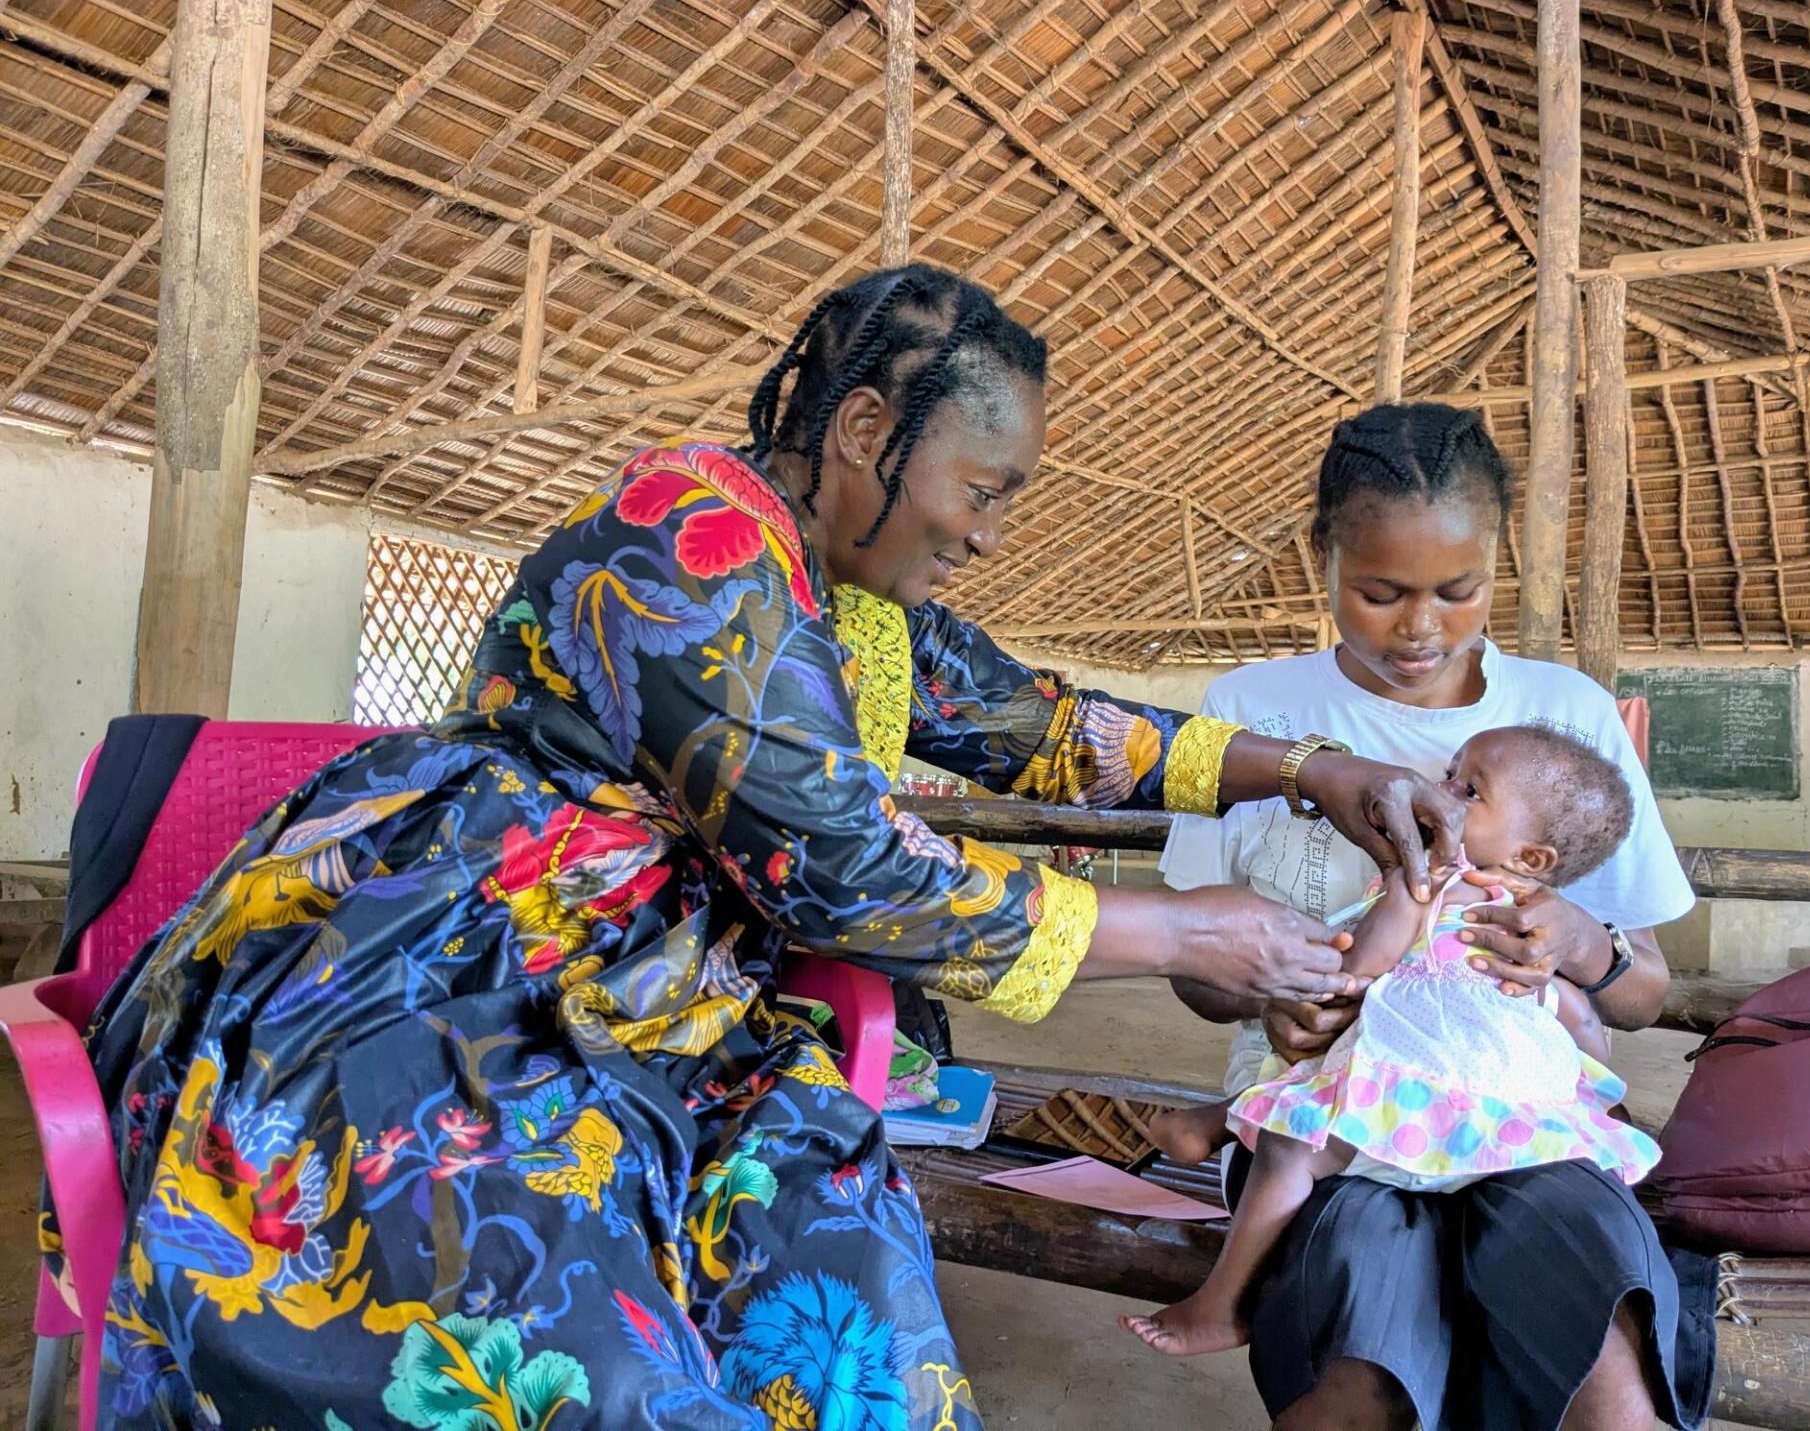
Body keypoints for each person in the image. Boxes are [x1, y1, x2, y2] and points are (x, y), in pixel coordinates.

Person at [65, 267, 1466, 1430]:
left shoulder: (857, 602)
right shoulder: (690, 537)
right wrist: (1180, 930)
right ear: (866, 430)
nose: (988, 534)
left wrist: (1312, 771)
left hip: (673, 1006)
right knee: (550, 1328)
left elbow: (1043, 726)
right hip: (465, 972)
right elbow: (841, 866)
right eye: (984, 490)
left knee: (848, 1274)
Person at [1159, 403, 1715, 1431]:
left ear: (1498, 562)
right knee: (1361, 1346)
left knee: (1605, 1346)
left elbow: (1642, 996)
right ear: (1322, 556)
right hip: (1322, 1116)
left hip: (1524, 1122)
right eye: (1380, 593)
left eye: (1460, 590)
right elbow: (1194, 967)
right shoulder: (1251, 711)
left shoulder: (1566, 717)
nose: (1421, 628)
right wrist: (1273, 996)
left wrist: (1582, 945)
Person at [1124, 725, 1660, 1358]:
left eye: (1469, 789)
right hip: (1511, 1136)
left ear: (1531, 857)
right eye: (1450, 774)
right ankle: (1218, 1122)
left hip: (1405, 1107)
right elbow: (1578, 1019)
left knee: (1292, 1144)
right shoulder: (1540, 929)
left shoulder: (1427, 881)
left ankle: (1222, 1303)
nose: (1441, 790)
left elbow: (1361, 967)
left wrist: (1382, 907)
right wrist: (1585, 1099)